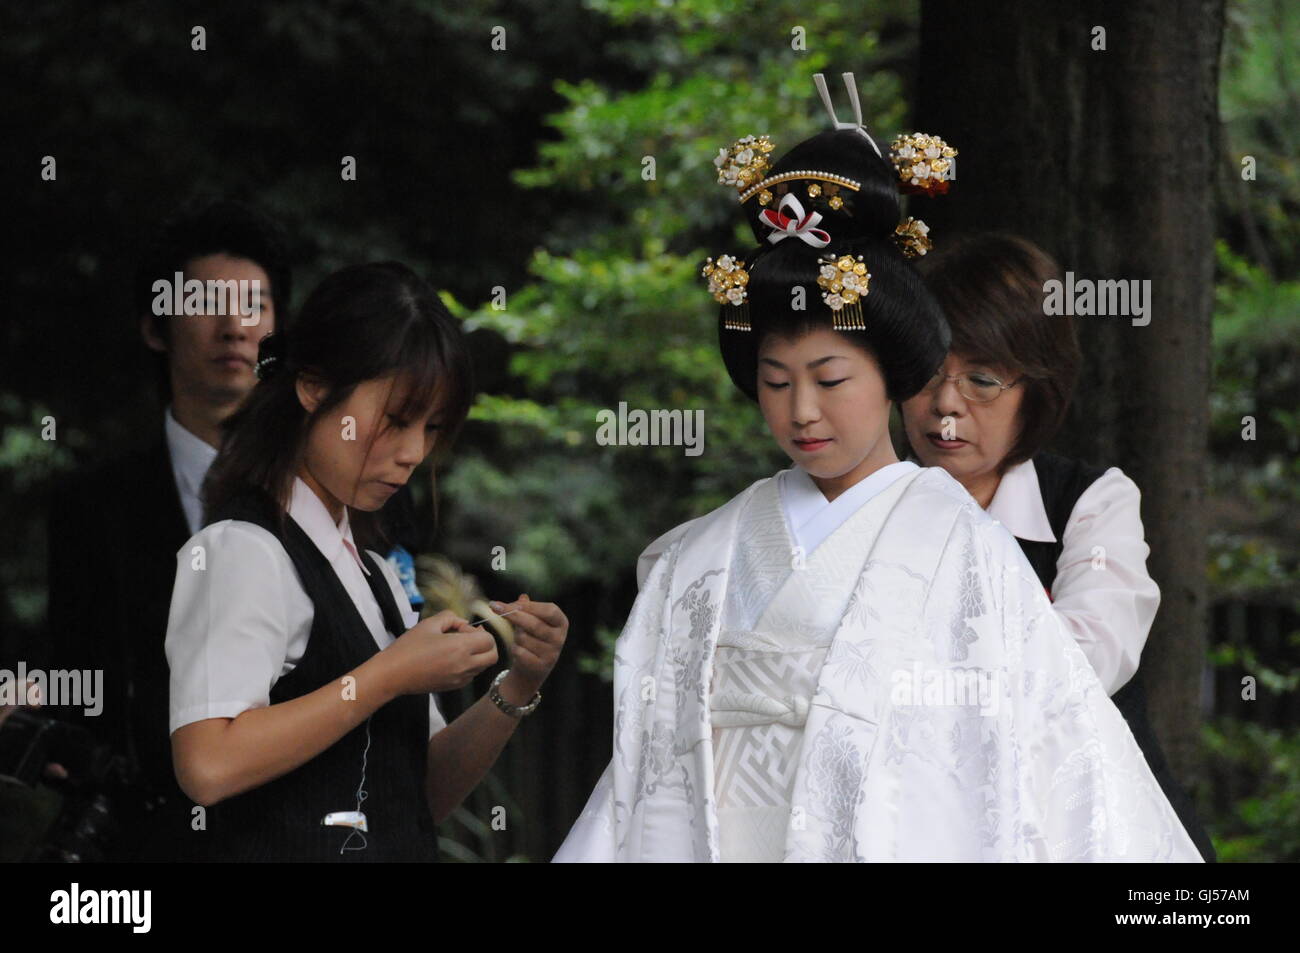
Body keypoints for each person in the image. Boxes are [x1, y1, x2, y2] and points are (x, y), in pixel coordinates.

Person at [554, 72, 1202, 862]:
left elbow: (1042, 727)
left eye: (830, 380)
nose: (801, 411)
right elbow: (654, 766)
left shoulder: (977, 550)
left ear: (889, 373)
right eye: (774, 381)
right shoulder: (698, 554)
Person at [161, 261, 568, 861]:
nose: (412, 454)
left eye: (431, 428)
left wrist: (515, 686)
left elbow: (418, 796)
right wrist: (387, 676)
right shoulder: (241, 550)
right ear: (314, 388)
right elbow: (208, 764)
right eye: (396, 420)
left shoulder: (374, 573)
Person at [899, 232, 1216, 861]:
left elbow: (1085, 662)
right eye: (926, 375)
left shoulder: (1091, 503)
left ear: (1038, 387)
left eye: (982, 380)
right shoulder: (869, 507)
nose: (945, 407)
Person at [45, 196, 291, 860]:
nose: (234, 327)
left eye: (256, 305)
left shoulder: (318, 498)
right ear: (156, 327)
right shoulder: (89, 506)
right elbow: (73, 668)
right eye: (207, 302)